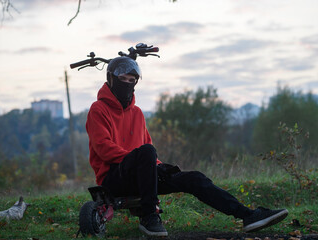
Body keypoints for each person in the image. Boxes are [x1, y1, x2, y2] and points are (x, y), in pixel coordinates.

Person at [85, 56, 288, 237]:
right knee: (146, 152)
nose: (128, 84)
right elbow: (104, 149)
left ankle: (248, 215)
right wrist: (142, 160)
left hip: (142, 173)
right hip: (114, 177)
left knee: (194, 178)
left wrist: (158, 166)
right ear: (111, 79)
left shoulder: (137, 113)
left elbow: (147, 147)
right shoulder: (98, 109)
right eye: (123, 80)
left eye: (132, 81)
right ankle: (149, 217)